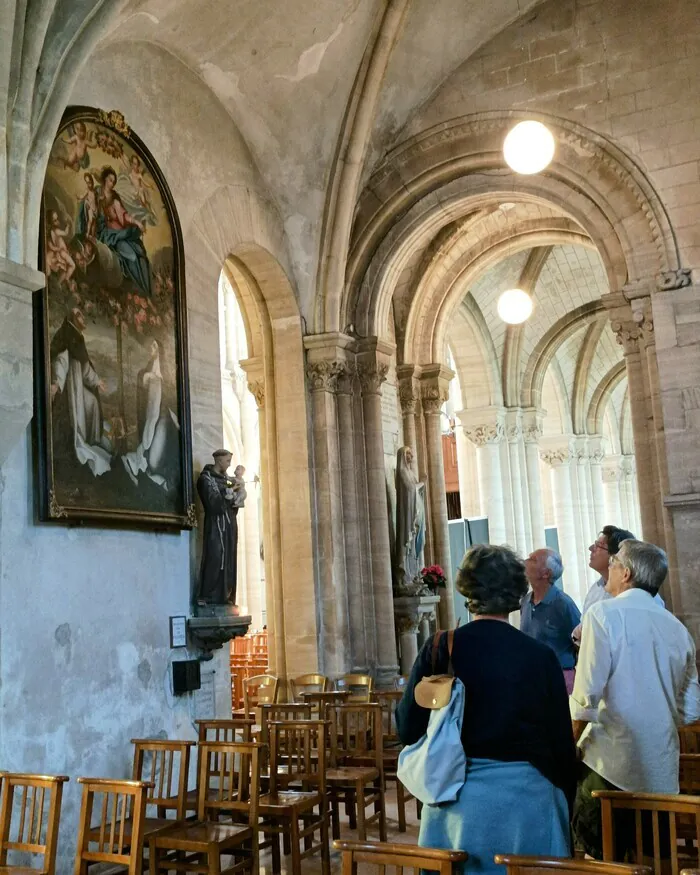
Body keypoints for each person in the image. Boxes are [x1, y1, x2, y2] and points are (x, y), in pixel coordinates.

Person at [397, 544, 577, 875]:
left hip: (455, 805)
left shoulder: (440, 647)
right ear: (516, 591)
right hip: (529, 806)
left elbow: (407, 728)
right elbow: (562, 747)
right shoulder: (540, 656)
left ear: (466, 588)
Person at [571, 539, 700, 859]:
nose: (609, 570)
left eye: (613, 564)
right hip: (660, 769)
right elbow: (691, 708)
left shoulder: (602, 614)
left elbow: (586, 696)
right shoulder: (677, 628)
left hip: (609, 765)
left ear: (625, 573)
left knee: (602, 860)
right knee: (653, 856)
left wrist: (567, 746)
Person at [571, 525, 663, 646]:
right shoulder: (595, 590)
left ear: (616, 555)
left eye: (598, 545)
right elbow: (582, 631)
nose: (591, 548)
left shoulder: (645, 597)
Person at [50, 307, 111, 477]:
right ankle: (81, 442)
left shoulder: (78, 337)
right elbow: (60, 362)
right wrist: (57, 384)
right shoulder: (67, 335)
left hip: (78, 383)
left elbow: (85, 368)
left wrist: (97, 381)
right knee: (76, 417)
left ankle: (93, 440)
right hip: (70, 387)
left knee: (92, 402)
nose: (83, 318)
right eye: (79, 315)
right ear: (71, 319)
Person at [521, 549, 581, 694]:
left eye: (533, 559)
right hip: (531, 677)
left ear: (546, 573)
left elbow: (582, 641)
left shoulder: (564, 604)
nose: (525, 561)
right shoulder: (525, 601)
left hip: (559, 677)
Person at [196, 449, 239, 607]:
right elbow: (213, 504)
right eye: (227, 461)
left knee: (228, 559)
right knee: (216, 555)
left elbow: (232, 488)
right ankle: (207, 595)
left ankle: (225, 595)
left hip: (229, 525)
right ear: (219, 460)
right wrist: (226, 496)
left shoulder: (226, 479)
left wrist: (235, 497)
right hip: (215, 525)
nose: (229, 464)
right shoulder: (206, 479)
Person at [394, 446, 426, 590]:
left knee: (418, 544)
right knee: (409, 543)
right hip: (409, 518)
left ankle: (415, 573)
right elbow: (410, 490)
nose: (410, 456)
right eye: (407, 453)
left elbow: (416, 490)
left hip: (417, 514)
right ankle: (407, 574)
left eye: (411, 454)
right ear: (402, 456)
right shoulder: (402, 472)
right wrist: (422, 483)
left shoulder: (411, 473)